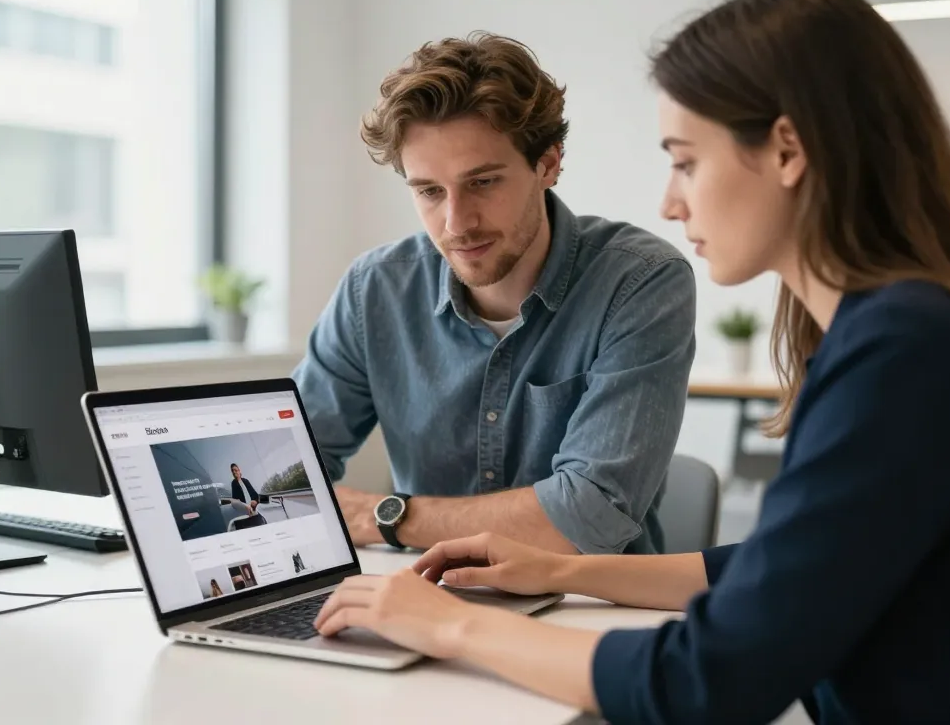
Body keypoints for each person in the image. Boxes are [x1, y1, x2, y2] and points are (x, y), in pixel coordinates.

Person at [311, 0, 950, 724]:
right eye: (428, 191)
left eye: (685, 160)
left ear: (786, 150)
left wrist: (447, 622)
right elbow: (788, 569)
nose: (670, 202)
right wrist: (562, 569)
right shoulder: (907, 328)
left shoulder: (905, 351)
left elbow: (708, 679)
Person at [293, 32, 696, 555]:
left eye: (482, 182)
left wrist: (387, 516)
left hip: (590, 612)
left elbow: (590, 516)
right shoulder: (375, 290)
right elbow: (292, 472)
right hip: (422, 597)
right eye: (429, 191)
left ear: (548, 163)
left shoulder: (640, 281)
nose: (457, 223)